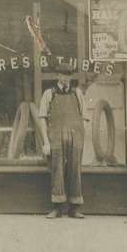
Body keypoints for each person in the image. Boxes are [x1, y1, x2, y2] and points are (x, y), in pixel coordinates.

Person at [38, 61, 89, 219]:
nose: (66, 78)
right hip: (56, 136)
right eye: (62, 74)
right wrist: (46, 142)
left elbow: (85, 117)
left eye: (68, 75)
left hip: (75, 136)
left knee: (75, 170)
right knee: (57, 170)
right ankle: (57, 207)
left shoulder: (77, 93)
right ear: (57, 75)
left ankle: (74, 207)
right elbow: (42, 118)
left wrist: (81, 135)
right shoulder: (49, 94)